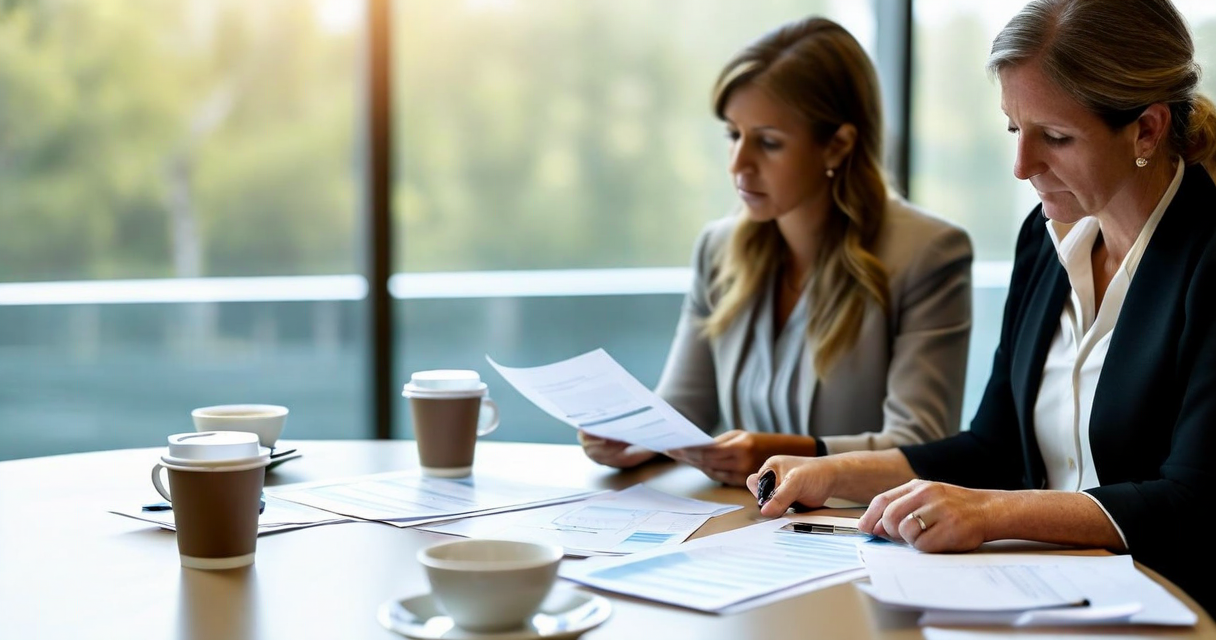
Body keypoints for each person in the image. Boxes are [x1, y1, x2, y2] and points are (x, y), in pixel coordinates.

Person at [750, 0, 1216, 615]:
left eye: (1055, 137)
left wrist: (993, 511)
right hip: (1039, 592)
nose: (1022, 167)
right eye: (1013, 130)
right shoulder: (1046, 239)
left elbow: (1194, 499)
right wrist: (834, 470)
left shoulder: (1207, 254)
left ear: (1147, 130)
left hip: (1177, 608)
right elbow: (994, 448)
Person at [580, 17, 974, 486]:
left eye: (768, 143)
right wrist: (635, 439)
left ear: (838, 145)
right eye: (733, 134)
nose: (738, 164)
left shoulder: (929, 254)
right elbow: (687, 408)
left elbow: (921, 443)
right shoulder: (719, 248)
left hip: (862, 532)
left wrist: (789, 455)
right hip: (741, 524)